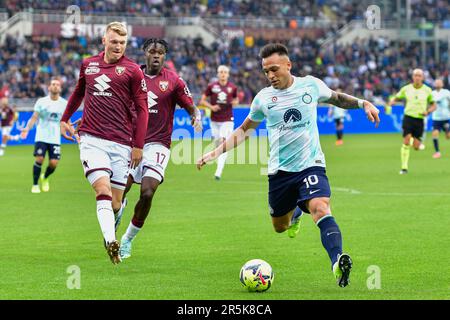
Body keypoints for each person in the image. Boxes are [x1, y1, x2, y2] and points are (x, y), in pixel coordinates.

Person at [197, 43, 380, 287]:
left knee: (321, 208)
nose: (270, 75)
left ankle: (337, 262)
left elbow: (336, 98)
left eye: (274, 69)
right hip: (280, 173)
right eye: (266, 71)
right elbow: (243, 130)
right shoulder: (263, 99)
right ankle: (295, 214)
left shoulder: (310, 85)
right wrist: (215, 153)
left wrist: (363, 103)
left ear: (288, 65)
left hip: (311, 165)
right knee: (279, 227)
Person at [60, 22, 149, 265]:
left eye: (122, 42)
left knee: (116, 203)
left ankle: (114, 220)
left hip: (121, 143)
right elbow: (78, 92)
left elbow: (142, 110)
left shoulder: (133, 71)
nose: (118, 46)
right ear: (104, 41)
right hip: (91, 139)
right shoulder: (88, 64)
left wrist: (138, 145)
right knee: (102, 190)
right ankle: (111, 240)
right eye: (114, 41)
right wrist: (64, 118)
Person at [116, 38, 202, 260]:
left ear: (165, 56)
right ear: (145, 53)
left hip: (158, 145)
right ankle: (119, 207)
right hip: (130, 143)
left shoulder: (174, 81)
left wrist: (195, 115)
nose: (156, 55)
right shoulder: (132, 76)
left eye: (161, 52)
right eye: (152, 51)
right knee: (119, 192)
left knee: (147, 192)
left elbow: (190, 105)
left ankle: (127, 239)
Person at [21, 78, 67, 193]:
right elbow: (34, 117)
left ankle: (45, 177)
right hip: (41, 136)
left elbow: (65, 121)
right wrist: (27, 128)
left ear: (60, 88)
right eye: (53, 84)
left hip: (55, 138)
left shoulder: (64, 103)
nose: (55, 86)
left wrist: (66, 132)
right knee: (40, 159)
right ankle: (35, 185)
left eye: (57, 84)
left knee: (53, 163)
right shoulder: (41, 101)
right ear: (49, 87)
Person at [388, 69, 436, 174]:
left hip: (420, 119)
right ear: (412, 77)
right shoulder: (406, 89)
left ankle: (415, 142)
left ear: (422, 77)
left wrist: (428, 112)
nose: (417, 77)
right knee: (406, 140)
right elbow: (397, 97)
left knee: (416, 147)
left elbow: (433, 105)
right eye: (415, 75)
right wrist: (392, 102)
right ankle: (404, 168)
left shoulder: (427, 90)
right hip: (408, 117)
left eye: (419, 75)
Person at [199, 65, 239, 180]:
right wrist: (211, 107)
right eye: (221, 72)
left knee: (223, 143)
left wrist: (232, 102)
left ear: (228, 74)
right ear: (217, 74)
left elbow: (236, 100)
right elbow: (202, 100)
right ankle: (218, 168)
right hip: (214, 120)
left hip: (227, 120)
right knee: (218, 146)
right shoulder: (212, 86)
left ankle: (218, 172)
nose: (223, 74)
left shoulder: (232, 87)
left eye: (225, 72)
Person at [430, 79, 450, 158]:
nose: (438, 84)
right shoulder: (432, 93)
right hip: (436, 118)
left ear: (442, 84)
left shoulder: (446, 92)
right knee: (435, 133)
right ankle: (437, 152)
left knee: (448, 136)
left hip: (446, 117)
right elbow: (430, 103)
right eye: (436, 83)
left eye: (439, 83)